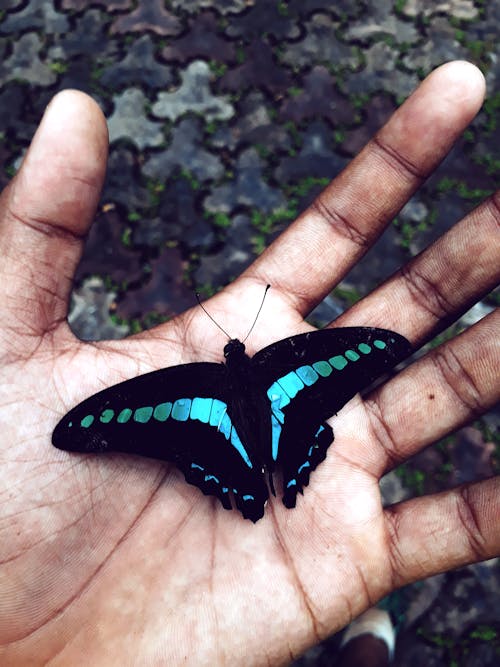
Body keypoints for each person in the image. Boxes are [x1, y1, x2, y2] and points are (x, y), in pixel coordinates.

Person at [0, 60, 498, 665]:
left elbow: (366, 348)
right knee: (301, 410)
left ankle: (343, 618)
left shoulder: (182, 388)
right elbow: (355, 351)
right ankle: (361, 646)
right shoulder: (290, 360)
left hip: (223, 441)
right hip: (285, 421)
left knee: (258, 438)